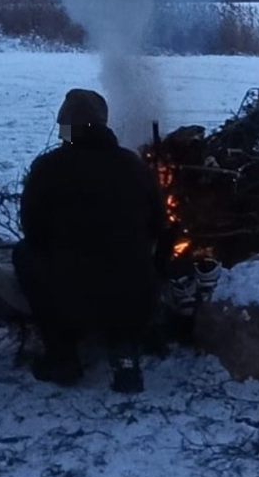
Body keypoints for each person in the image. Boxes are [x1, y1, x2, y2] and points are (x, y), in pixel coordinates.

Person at [13, 88, 165, 393]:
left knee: (22, 255)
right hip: (134, 299)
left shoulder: (47, 169)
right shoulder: (132, 165)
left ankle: (63, 355)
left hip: (70, 301)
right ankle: (124, 352)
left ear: (67, 128)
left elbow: (32, 230)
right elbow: (158, 226)